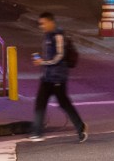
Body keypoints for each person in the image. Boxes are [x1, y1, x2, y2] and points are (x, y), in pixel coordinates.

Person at [30, 12, 88, 143]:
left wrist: (43, 62)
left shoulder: (58, 36)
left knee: (64, 104)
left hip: (58, 78)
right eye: (40, 24)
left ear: (51, 22)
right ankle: (37, 132)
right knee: (40, 103)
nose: (42, 26)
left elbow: (59, 57)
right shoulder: (47, 36)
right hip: (47, 77)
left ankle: (81, 128)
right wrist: (42, 62)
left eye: (43, 23)